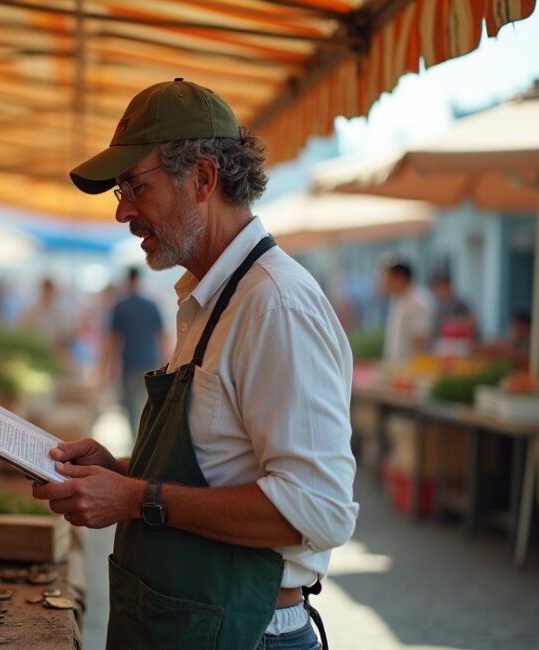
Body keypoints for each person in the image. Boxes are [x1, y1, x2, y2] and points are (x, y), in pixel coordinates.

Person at [34, 78, 358, 650]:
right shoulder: (212, 298)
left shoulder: (274, 305)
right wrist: (123, 470)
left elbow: (318, 509)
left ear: (203, 179)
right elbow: (225, 461)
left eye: (135, 187)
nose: (123, 213)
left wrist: (136, 498)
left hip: (244, 633)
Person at [102, 267, 166, 437]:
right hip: (151, 365)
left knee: (131, 410)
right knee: (149, 407)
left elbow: (114, 341)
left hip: (130, 365)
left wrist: (106, 369)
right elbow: (162, 337)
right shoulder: (152, 305)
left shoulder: (121, 306)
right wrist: (167, 365)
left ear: (127, 280)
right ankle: (147, 444)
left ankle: (136, 446)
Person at [380, 260, 434, 365]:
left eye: (388, 278)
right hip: (397, 369)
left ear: (400, 278)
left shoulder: (417, 301)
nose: (384, 282)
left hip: (408, 371)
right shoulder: (399, 299)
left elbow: (420, 344)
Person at [19, 277, 78, 369]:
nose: (47, 293)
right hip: (36, 352)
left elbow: (67, 335)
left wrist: (61, 345)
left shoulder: (62, 311)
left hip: (55, 352)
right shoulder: (31, 310)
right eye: (45, 290)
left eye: (50, 290)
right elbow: (24, 332)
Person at [429, 270, 475, 357]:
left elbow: (472, 323)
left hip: (459, 349)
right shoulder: (438, 305)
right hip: (441, 348)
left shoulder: (460, 304)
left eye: (442, 286)